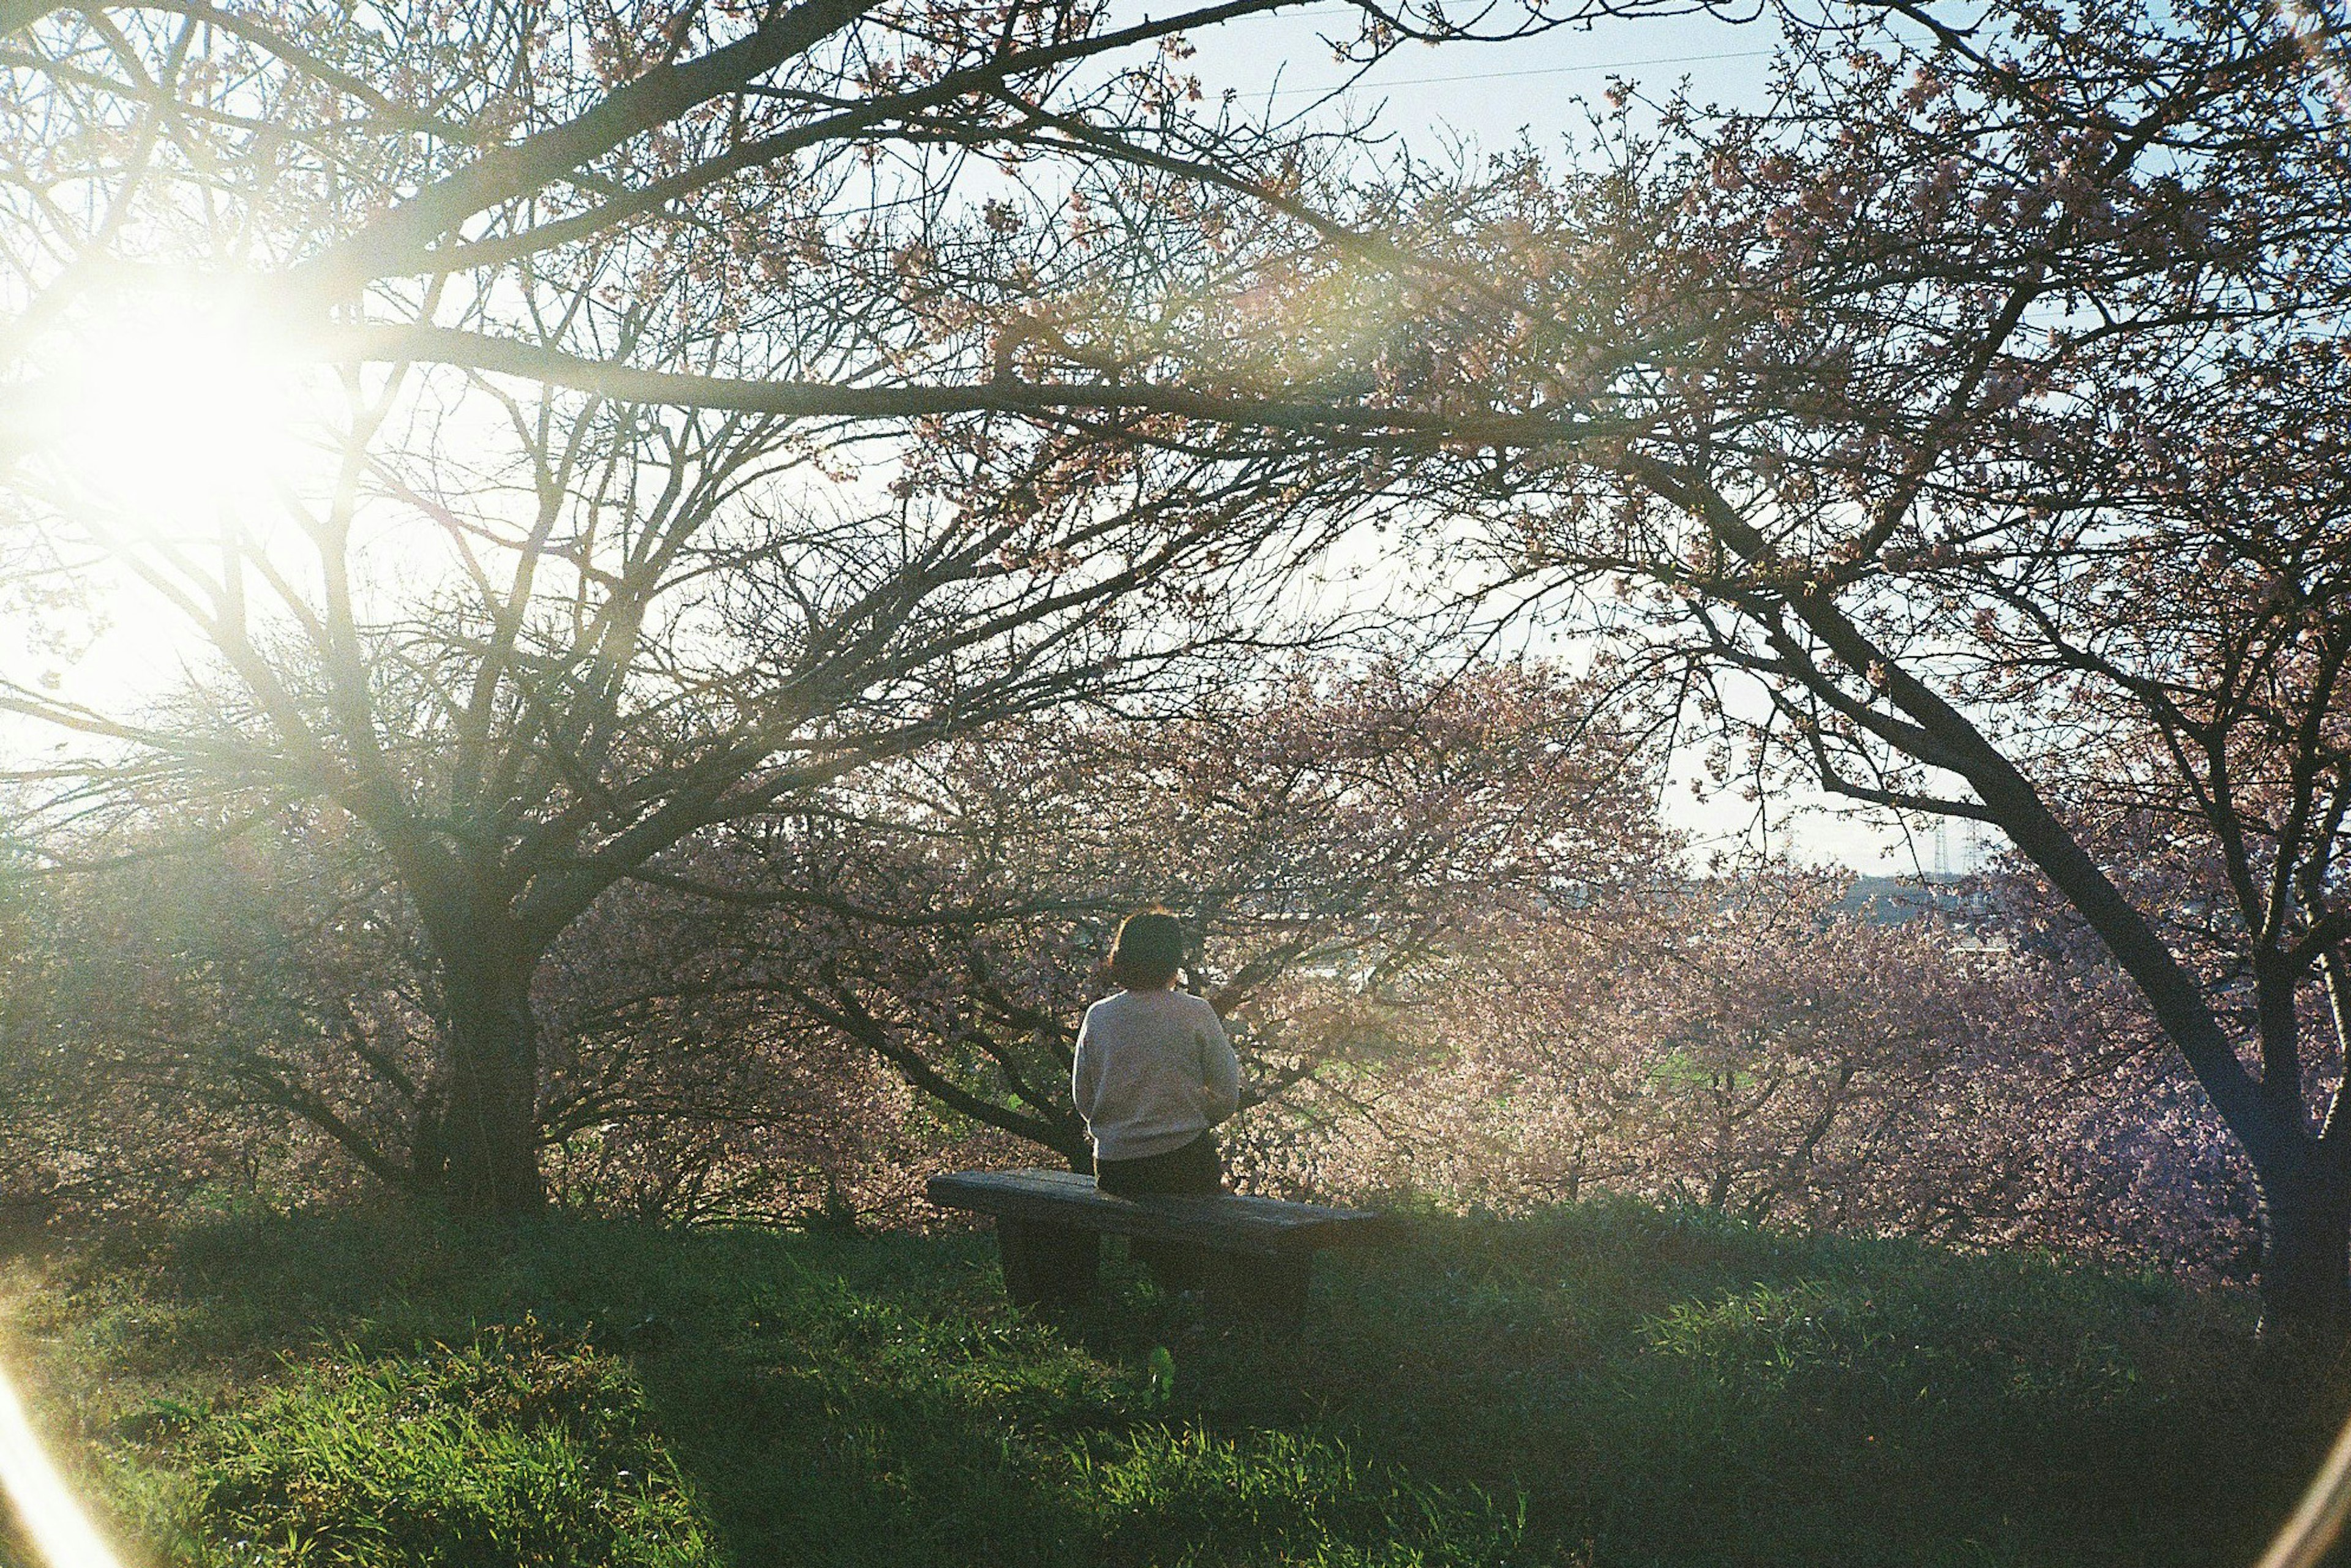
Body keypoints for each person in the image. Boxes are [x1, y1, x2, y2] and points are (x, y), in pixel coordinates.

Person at [1071, 909, 1240, 1200]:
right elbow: (1227, 1094)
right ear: (1173, 961)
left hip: (1115, 1168)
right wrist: (1190, 1116)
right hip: (1183, 1160)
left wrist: (1119, 1129)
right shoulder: (1195, 1011)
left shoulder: (1099, 1016)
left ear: (1120, 958)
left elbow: (1083, 1097)